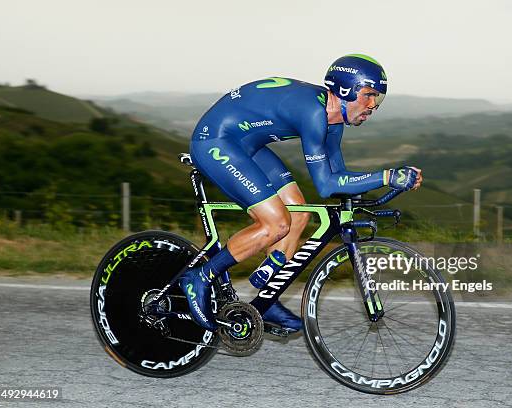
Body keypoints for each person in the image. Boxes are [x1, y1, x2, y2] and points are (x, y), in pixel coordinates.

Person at [179, 54, 423, 332]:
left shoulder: (333, 123)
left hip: (248, 145)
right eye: (368, 95)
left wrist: (382, 183)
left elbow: (339, 178)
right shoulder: (312, 113)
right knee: (277, 223)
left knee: (299, 213)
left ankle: (266, 298)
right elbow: (326, 185)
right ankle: (200, 276)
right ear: (345, 89)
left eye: (377, 99)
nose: (372, 106)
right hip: (215, 141)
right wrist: (387, 176)